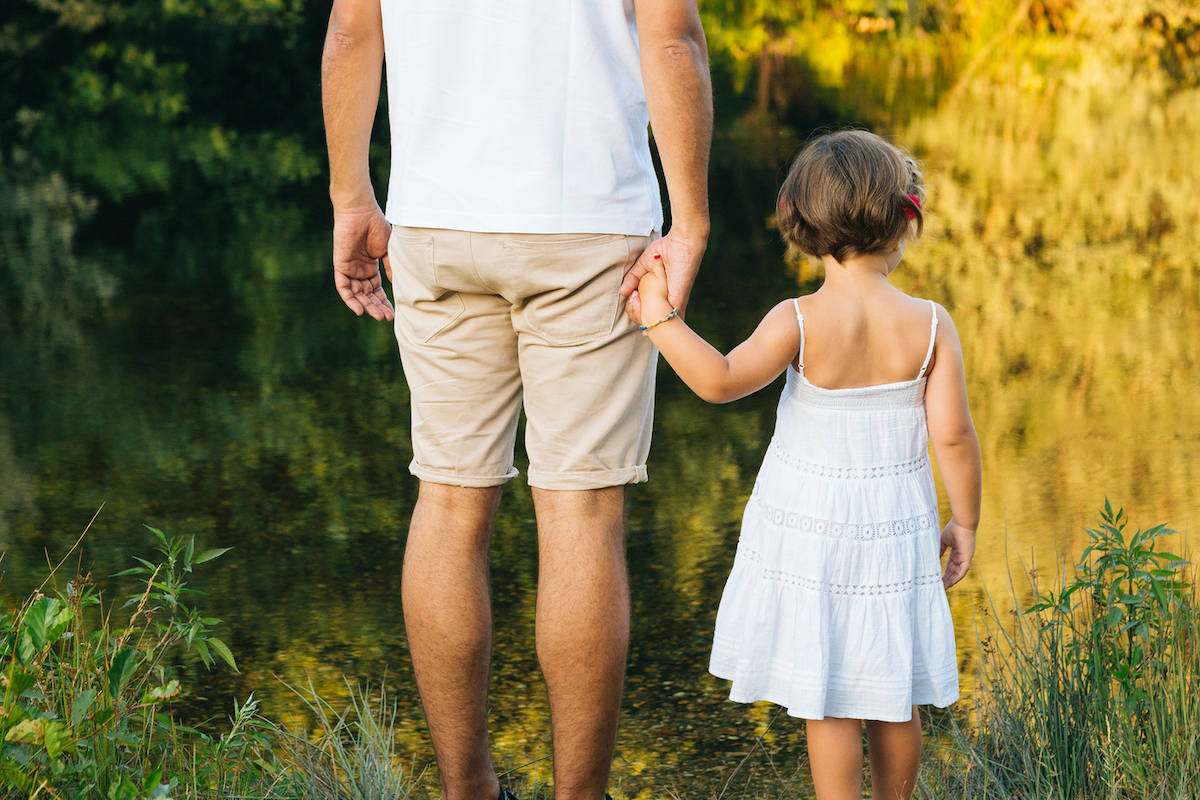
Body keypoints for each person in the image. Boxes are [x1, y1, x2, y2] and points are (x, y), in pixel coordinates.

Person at [320, 1, 712, 799]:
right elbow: (673, 39)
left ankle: (467, 791)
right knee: (580, 516)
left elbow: (353, 31)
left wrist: (351, 198)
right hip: (591, 223)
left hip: (435, 223)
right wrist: (691, 222)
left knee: (450, 503)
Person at [627, 130, 981, 800]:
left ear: (805, 225)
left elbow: (721, 380)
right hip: (894, 531)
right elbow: (955, 438)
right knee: (893, 688)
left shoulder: (798, 319)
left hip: (815, 531)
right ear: (902, 223)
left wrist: (659, 318)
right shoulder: (930, 325)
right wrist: (965, 523)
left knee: (832, 696)